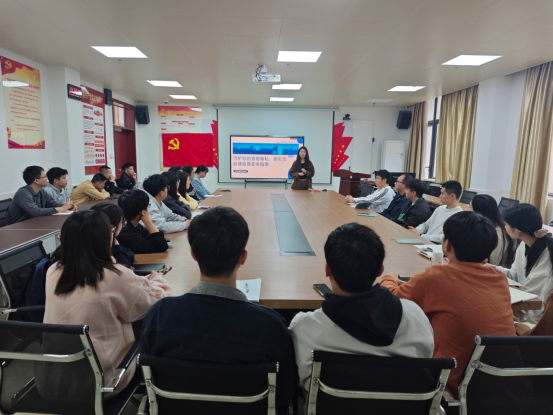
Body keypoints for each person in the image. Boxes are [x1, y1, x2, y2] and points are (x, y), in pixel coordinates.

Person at [140, 206, 297, 411]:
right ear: (243, 257)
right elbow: (284, 393)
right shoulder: (271, 325)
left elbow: (147, 379)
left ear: (193, 255)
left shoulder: (158, 315)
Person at [380, 211, 516, 397]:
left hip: (450, 390)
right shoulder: (499, 279)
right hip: (503, 389)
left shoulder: (436, 277)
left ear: (447, 244)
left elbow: (389, 301)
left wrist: (389, 277)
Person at [290, 223, 434, 390]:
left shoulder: (303, 328)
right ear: (380, 271)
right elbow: (426, 359)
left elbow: (298, 377)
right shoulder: (416, 317)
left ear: (327, 269)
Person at [44, 210, 171, 394]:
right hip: (104, 381)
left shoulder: (53, 271)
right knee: (157, 321)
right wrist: (158, 279)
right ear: (105, 239)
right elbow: (156, 302)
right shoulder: (114, 275)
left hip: (54, 378)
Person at [491, 203, 553, 328]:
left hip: (535, 319)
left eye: (506, 224)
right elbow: (515, 275)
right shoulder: (525, 244)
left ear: (519, 231)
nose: (504, 226)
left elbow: (534, 301)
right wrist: (492, 268)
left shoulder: (547, 255)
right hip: (523, 310)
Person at [7, 166, 75, 224]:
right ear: (36, 181)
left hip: (34, 223)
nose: (47, 178)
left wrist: (68, 206)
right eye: (44, 176)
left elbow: (53, 204)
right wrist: (62, 208)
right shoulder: (23, 193)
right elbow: (35, 212)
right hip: (17, 227)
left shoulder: (42, 191)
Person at [469, 194, 516, 268]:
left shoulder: (498, 234)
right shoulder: (485, 227)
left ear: (478, 212)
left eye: (469, 207)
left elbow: (493, 262)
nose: (467, 210)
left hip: (497, 272)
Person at [117, 190, 169, 254]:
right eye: (148, 206)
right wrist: (148, 222)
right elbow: (161, 245)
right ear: (143, 212)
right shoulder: (124, 233)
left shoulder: (135, 225)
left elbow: (152, 237)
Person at [90, 203, 135, 268]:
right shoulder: (103, 248)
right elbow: (125, 267)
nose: (122, 226)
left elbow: (127, 251)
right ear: (113, 227)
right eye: (121, 222)